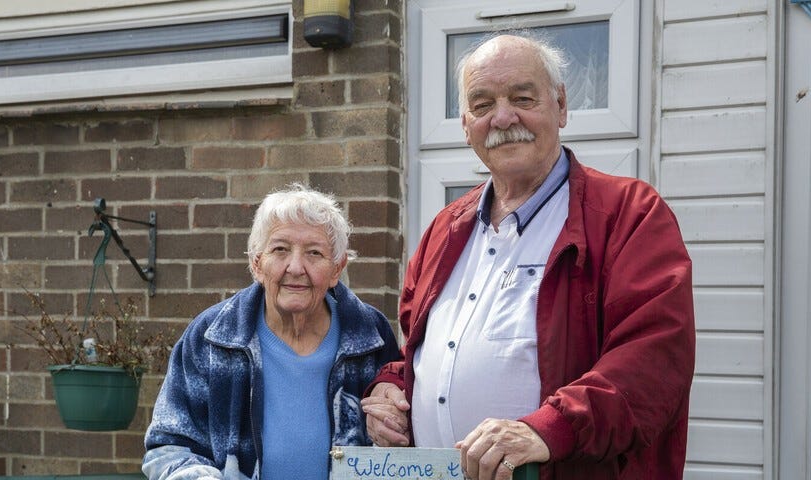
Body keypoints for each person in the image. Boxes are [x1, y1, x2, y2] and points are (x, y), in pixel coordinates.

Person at [361, 33, 695, 480]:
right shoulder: (445, 229)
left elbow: (654, 358)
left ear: (559, 105)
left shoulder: (629, 214)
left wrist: (549, 429)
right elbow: (422, 351)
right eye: (482, 105)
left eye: (522, 97)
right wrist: (393, 387)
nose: (502, 117)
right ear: (465, 124)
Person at [143, 183, 402, 480]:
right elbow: (169, 445)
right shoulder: (211, 337)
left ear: (337, 268)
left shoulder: (371, 336)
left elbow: (400, 446)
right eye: (280, 249)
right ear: (256, 264)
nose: (295, 267)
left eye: (314, 253)